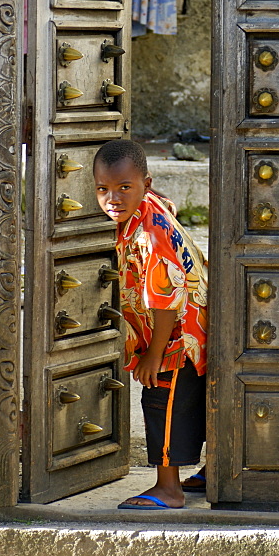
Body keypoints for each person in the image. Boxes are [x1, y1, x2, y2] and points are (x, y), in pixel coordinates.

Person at [93, 139, 208, 510]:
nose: (113, 198)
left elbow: (164, 302)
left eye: (124, 188)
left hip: (178, 335)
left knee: (161, 400)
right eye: (103, 189)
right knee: (194, 403)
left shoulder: (149, 235)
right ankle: (215, 470)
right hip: (191, 326)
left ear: (146, 182)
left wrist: (153, 355)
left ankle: (168, 489)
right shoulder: (149, 208)